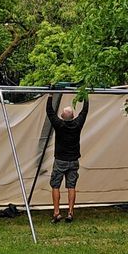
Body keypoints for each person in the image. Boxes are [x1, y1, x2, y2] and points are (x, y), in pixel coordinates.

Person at [46, 94, 89, 223]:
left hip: (60, 160)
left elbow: (49, 111)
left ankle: (56, 212)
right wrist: (85, 95)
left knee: (55, 185)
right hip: (74, 160)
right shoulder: (77, 124)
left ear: (62, 117)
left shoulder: (59, 125)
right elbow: (85, 111)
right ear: (73, 116)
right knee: (71, 186)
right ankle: (70, 212)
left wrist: (50, 95)